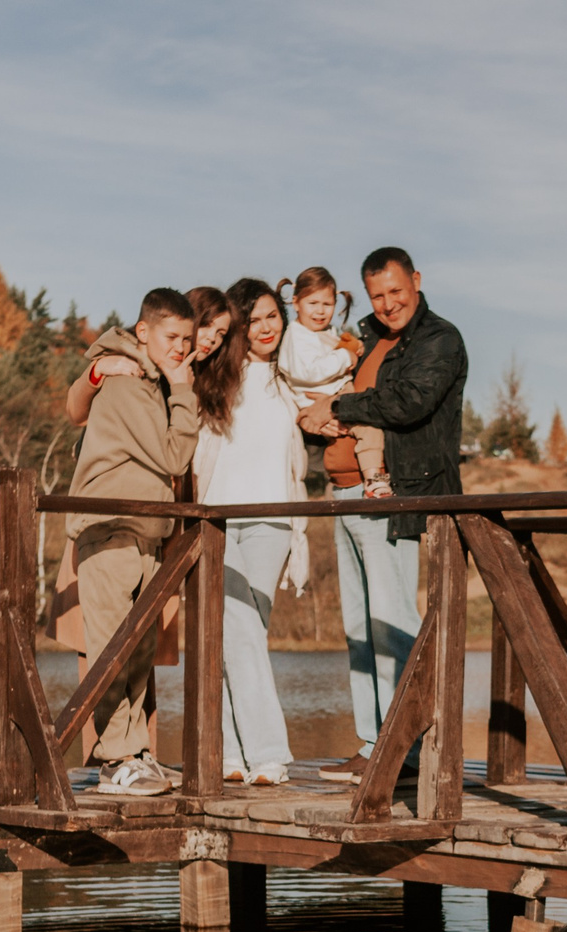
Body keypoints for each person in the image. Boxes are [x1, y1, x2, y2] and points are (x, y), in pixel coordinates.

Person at [295, 247, 468, 784]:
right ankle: (373, 744)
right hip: (344, 493)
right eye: (377, 295)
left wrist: (337, 407)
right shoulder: (366, 339)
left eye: (396, 291)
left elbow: (408, 401)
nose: (388, 304)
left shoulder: (438, 339)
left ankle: (407, 752)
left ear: (416, 280)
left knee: (391, 622)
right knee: (358, 627)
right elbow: (339, 398)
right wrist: (316, 418)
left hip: (390, 494)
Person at [63, 288, 200, 797]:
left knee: (138, 651)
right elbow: (173, 455)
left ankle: (134, 752)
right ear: (143, 332)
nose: (180, 348)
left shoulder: (149, 380)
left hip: (145, 533)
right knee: (111, 650)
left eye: (186, 340)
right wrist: (183, 389)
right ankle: (115, 759)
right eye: (172, 337)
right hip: (111, 529)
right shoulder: (127, 384)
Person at [190, 277, 308, 787]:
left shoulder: (292, 379)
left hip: (273, 522)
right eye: (253, 319)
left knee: (243, 634)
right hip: (216, 520)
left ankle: (231, 753)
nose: (265, 328)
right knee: (236, 628)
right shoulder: (214, 376)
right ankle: (268, 752)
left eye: (272, 316)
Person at [275, 267, 386, 498]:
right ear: (296, 303)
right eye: (313, 303)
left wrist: (352, 346)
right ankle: (374, 479)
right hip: (323, 400)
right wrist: (345, 357)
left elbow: (336, 350)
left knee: (368, 428)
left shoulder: (322, 332)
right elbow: (310, 371)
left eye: (327, 304)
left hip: (335, 395)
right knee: (369, 429)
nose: (320, 311)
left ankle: (369, 477)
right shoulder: (296, 336)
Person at [64, 285, 234, 429]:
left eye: (221, 333)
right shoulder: (130, 358)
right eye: (206, 325)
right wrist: (97, 370)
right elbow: (77, 415)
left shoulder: (202, 376)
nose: (212, 338)